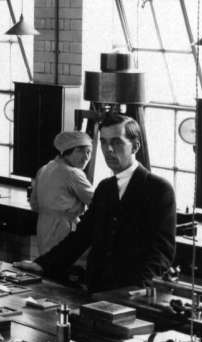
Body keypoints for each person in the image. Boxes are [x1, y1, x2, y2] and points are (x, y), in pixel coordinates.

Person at [31, 113, 175, 292]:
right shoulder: (105, 188)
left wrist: (138, 288)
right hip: (96, 290)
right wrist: (42, 264)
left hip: (133, 294)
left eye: (116, 142)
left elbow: (162, 252)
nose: (109, 150)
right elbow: (82, 236)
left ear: (135, 146)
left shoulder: (159, 189)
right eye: (104, 142)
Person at [28, 129, 95, 258]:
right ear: (67, 152)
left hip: (44, 226)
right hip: (63, 229)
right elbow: (95, 201)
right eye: (80, 151)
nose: (86, 157)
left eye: (89, 152)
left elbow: (34, 203)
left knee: (48, 264)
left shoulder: (46, 167)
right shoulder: (73, 173)